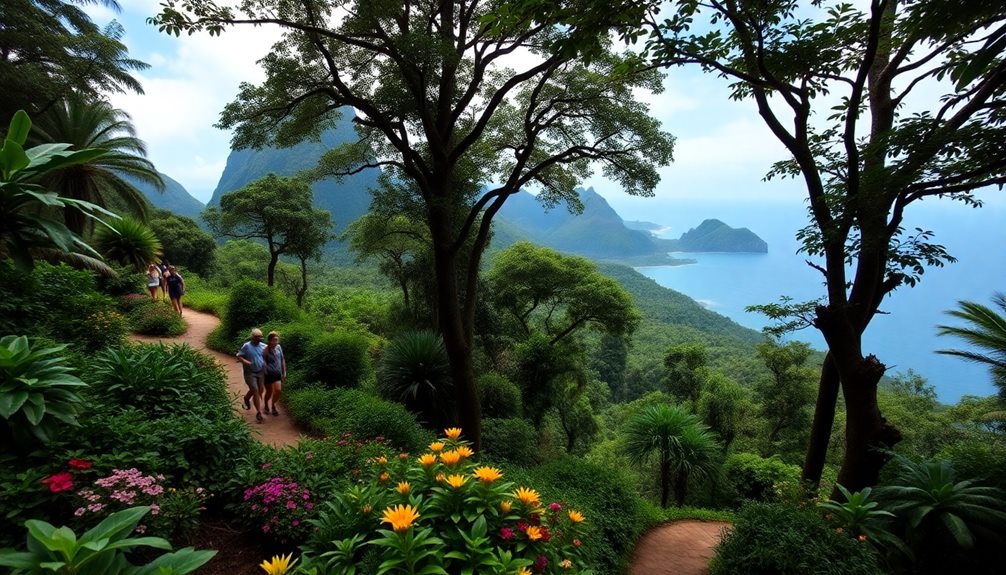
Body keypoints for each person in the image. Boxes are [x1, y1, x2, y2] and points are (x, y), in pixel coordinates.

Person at [237, 328, 267, 423]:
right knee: (256, 390)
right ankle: (258, 412)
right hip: (250, 372)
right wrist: (246, 362)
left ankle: (246, 398)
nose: (259, 339)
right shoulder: (246, 346)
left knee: (260, 390)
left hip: (260, 372)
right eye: (257, 337)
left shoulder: (263, 346)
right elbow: (239, 356)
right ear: (252, 337)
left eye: (260, 337)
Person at [262, 331, 286, 417]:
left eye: (277, 340)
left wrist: (284, 372)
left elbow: (282, 359)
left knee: (278, 390)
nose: (276, 342)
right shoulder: (265, 350)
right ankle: (266, 405)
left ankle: (273, 405)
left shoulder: (278, 347)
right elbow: (263, 363)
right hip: (268, 375)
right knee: (269, 392)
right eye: (274, 340)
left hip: (277, 374)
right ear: (269, 341)